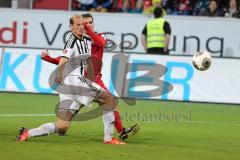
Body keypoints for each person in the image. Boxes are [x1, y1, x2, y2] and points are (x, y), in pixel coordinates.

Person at [16, 14, 126, 145]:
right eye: (77, 25)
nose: (81, 27)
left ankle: (28, 133)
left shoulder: (86, 41)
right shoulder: (71, 41)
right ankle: (109, 139)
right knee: (109, 99)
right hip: (75, 81)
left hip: (69, 87)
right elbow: (64, 59)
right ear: (71, 27)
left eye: (82, 24)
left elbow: (87, 58)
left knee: (62, 125)